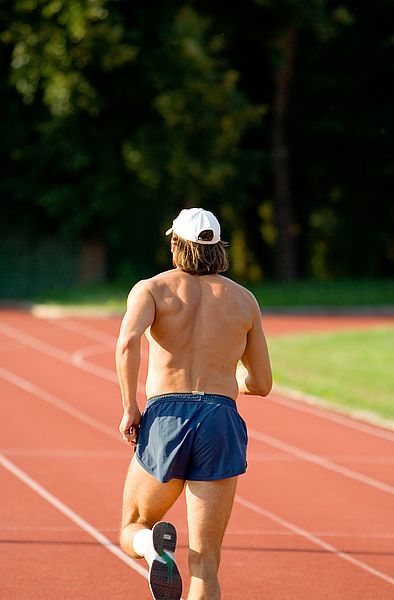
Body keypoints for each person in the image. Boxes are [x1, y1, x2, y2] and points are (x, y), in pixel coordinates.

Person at [115, 208, 272, 600]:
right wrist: (222, 381)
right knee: (206, 563)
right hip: (220, 418)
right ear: (218, 247)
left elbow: (127, 343)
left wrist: (130, 407)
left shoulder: (151, 288)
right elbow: (262, 383)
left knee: (134, 524)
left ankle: (152, 549)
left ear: (175, 245)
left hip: (167, 413)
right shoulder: (244, 300)